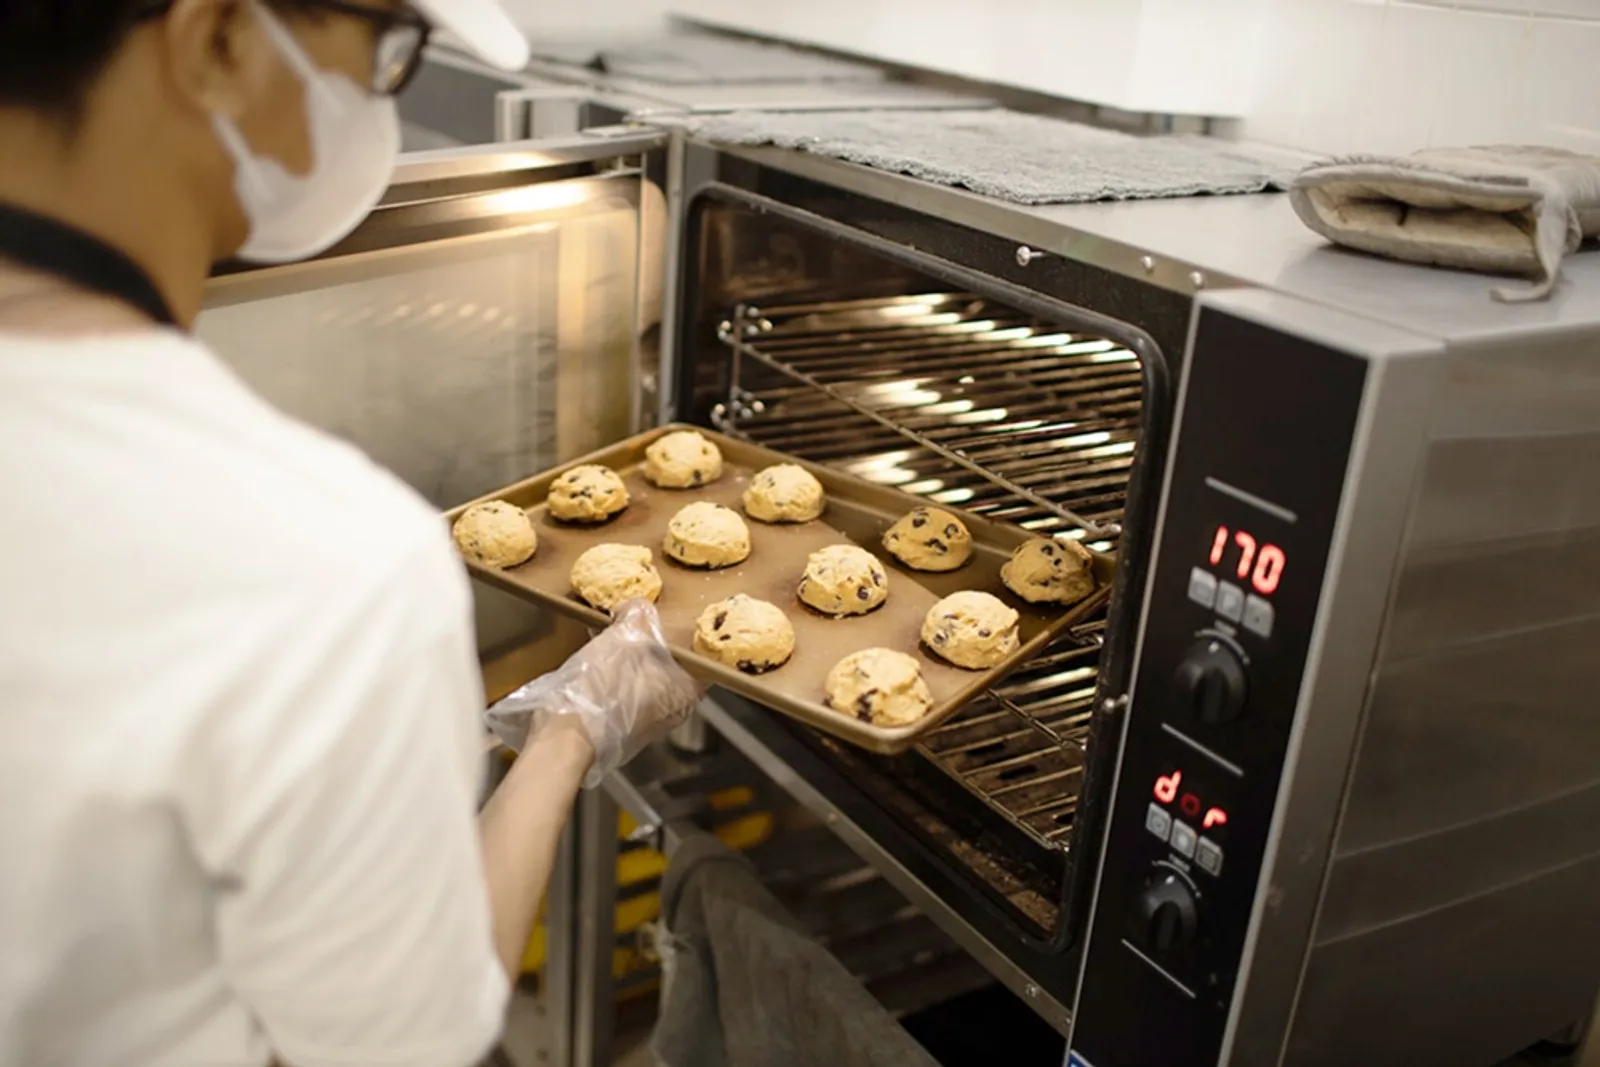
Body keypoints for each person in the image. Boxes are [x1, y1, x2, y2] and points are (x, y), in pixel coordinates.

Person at [0, 2, 699, 1065]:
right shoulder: (316, 559)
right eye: (388, 47)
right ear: (218, 39)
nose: (385, 97)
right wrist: (572, 728)